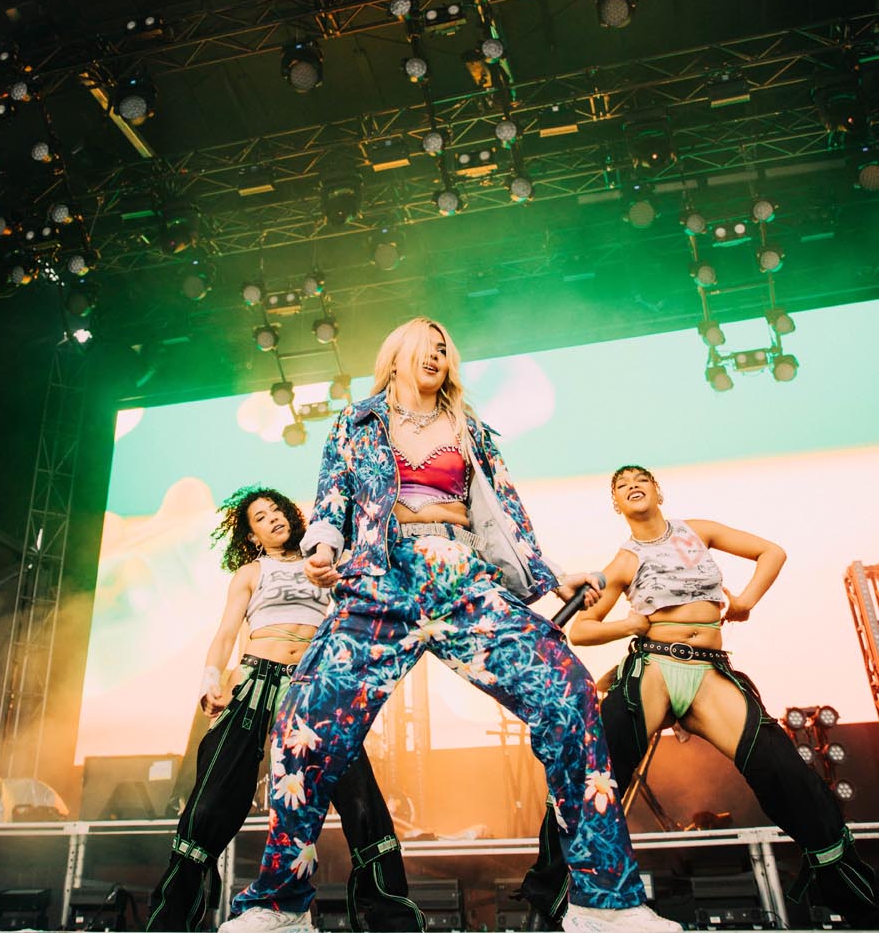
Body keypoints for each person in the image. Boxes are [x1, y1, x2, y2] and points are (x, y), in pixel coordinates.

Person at [220, 318, 682, 933]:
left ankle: (605, 902)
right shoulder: (356, 422)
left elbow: (507, 517)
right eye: (426, 346)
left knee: (569, 693)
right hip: (380, 580)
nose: (437, 355)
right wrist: (323, 551)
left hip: (461, 576)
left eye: (445, 348)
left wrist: (551, 577)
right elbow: (332, 500)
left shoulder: (471, 428)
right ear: (396, 357)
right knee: (302, 726)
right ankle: (279, 906)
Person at [566, 463, 879, 928]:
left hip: (708, 670)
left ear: (657, 491)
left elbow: (772, 552)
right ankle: (573, 900)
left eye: (640, 480)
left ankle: (852, 895)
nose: (632, 486)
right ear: (616, 504)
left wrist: (746, 600)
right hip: (655, 666)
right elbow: (581, 630)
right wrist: (628, 623)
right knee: (600, 774)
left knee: (781, 766)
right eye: (622, 485)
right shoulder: (624, 562)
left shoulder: (699, 531)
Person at [146, 484, 422, 933]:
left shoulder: (326, 559)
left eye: (276, 510)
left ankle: (391, 919)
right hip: (255, 686)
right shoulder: (251, 573)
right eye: (260, 517)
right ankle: (169, 923)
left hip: (315, 687)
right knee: (210, 805)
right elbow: (226, 633)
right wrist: (211, 679)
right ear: (251, 535)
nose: (273, 518)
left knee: (360, 799)